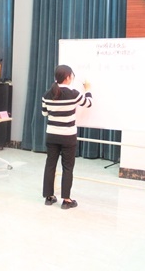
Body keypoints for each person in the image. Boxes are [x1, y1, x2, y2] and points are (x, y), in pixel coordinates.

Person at [41, 65, 92, 210]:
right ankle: (66, 200)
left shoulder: (47, 94)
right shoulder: (74, 94)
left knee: (50, 165)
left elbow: (44, 113)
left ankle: (49, 197)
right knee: (67, 167)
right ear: (68, 77)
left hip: (52, 135)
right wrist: (88, 89)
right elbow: (88, 103)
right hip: (68, 136)